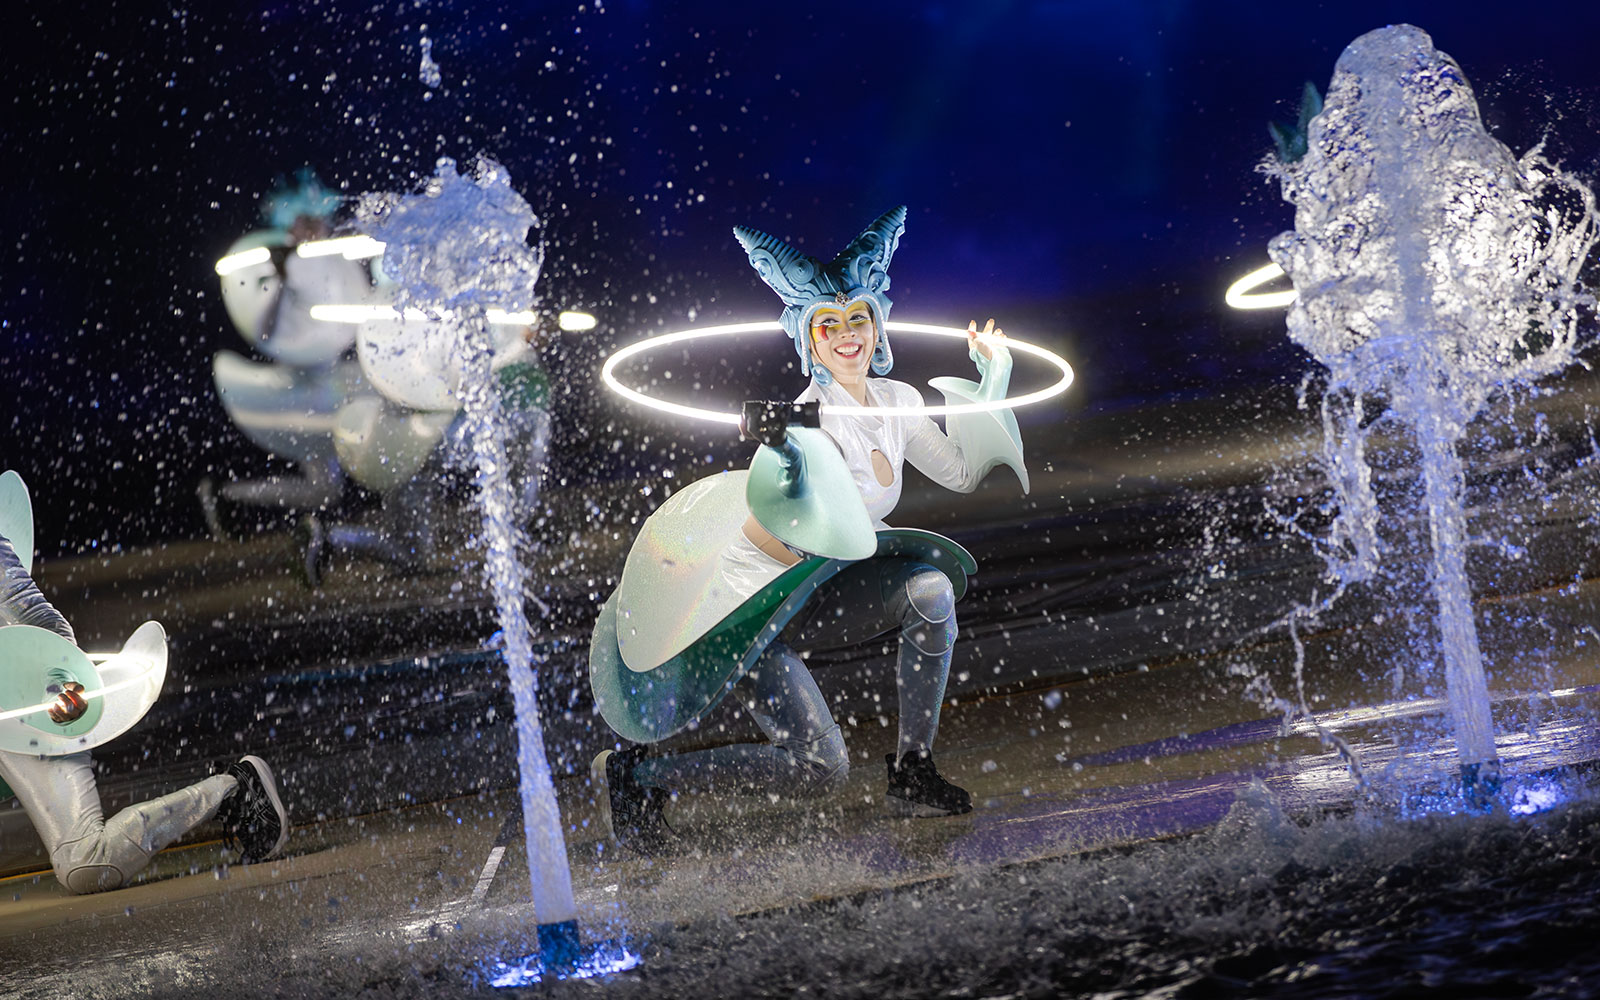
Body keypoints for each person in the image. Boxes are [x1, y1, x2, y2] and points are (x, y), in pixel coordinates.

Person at [588, 206, 1028, 854]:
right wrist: (786, 455)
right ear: (809, 338)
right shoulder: (803, 420)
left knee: (933, 590)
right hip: (772, 604)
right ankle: (638, 774)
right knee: (822, 771)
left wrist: (995, 376)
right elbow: (778, 519)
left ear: (876, 326)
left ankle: (912, 768)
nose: (846, 335)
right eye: (829, 325)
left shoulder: (900, 402)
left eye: (857, 319)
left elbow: (961, 472)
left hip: (841, 587)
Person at [0, 511, 289, 893]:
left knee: (87, 864)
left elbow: (35, 616)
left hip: (22, 713)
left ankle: (233, 791)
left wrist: (60, 685)